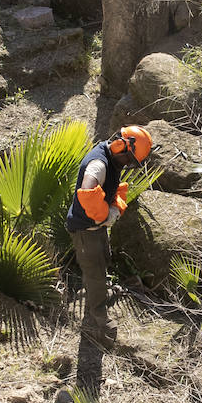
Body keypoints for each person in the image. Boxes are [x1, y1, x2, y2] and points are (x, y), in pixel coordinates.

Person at [66, 126, 153, 344]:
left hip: (96, 229)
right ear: (121, 146)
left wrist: (112, 210)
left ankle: (96, 298)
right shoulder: (99, 164)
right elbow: (87, 191)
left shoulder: (113, 158)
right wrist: (105, 215)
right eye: (131, 160)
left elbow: (109, 190)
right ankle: (99, 321)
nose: (130, 165)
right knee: (94, 272)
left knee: (102, 261)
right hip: (86, 230)